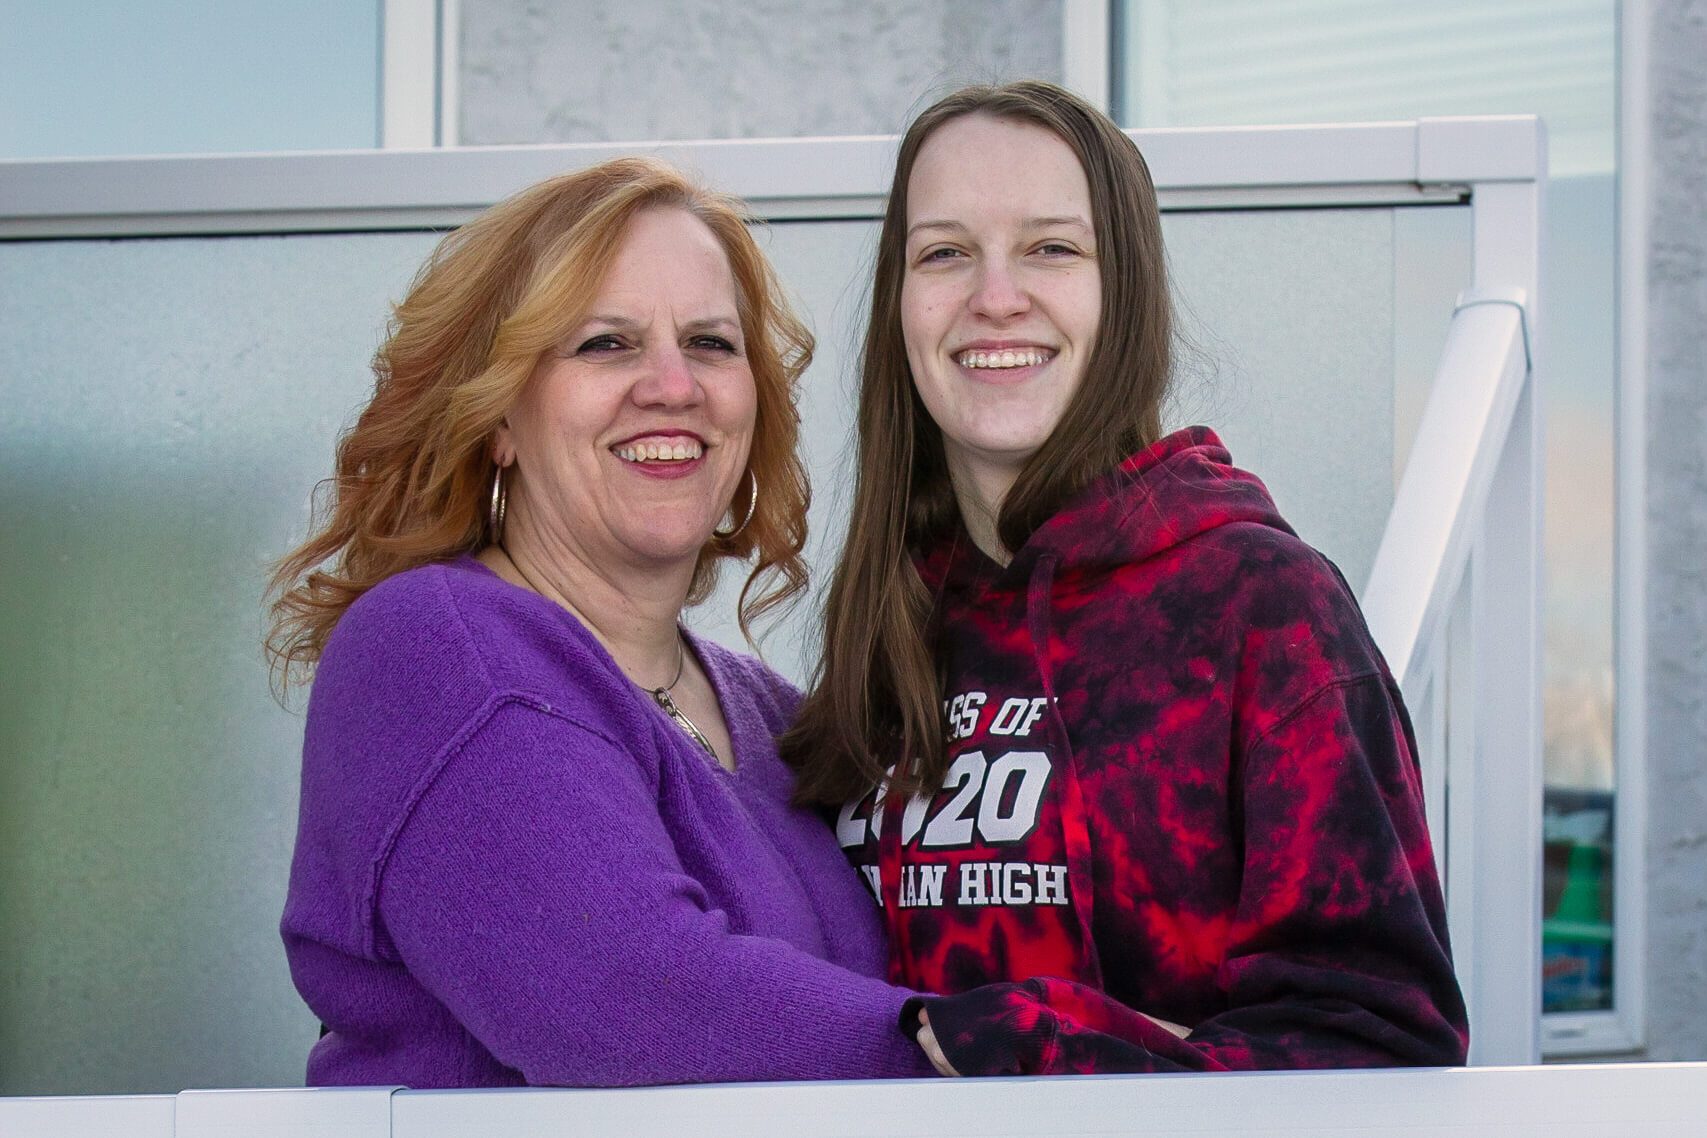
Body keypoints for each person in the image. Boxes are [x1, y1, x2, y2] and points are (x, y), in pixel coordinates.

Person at [783, 81, 1470, 1076]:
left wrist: (1038, 1043)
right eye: (945, 253)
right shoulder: (894, 622)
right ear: (899, 304)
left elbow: (1383, 1044)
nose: (995, 295)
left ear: (1126, 290)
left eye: (1052, 248)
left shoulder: (1262, 608)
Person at [269, 158, 937, 1088]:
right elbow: (630, 998)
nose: (672, 385)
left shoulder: (770, 714)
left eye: (709, 343)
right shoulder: (437, 647)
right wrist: (1001, 1040)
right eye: (604, 344)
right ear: (497, 414)